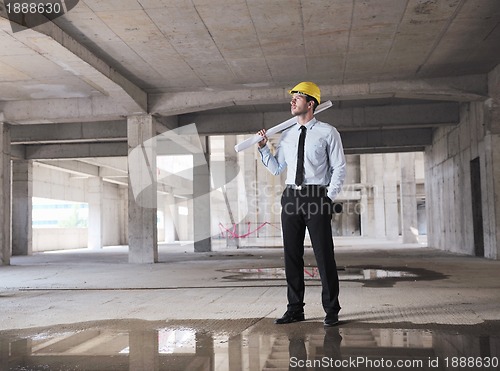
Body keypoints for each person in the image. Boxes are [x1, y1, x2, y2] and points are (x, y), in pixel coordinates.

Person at [256, 82, 346, 327]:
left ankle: (331, 309)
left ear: (311, 103)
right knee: (291, 256)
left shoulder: (328, 133)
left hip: (317, 196)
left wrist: (328, 197)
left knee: (323, 254)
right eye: (292, 98)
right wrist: (265, 149)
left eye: (297, 97)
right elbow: (277, 169)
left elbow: (339, 167)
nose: (292, 101)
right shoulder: (287, 135)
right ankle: (295, 309)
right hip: (291, 197)